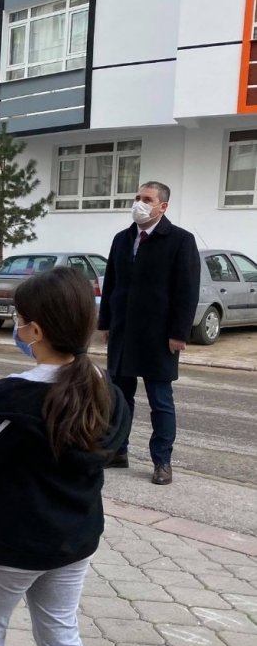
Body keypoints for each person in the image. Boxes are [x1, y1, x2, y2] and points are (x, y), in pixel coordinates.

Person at [0, 267, 131, 646]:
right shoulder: (109, 390)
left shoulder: (12, 397)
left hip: (10, 546)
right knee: (61, 634)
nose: (15, 326)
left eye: (18, 318)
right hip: (76, 539)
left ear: (35, 329)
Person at [98, 181, 200, 485]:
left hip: (159, 337)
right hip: (123, 332)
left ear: (163, 206)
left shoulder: (180, 240)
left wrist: (179, 333)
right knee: (119, 397)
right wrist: (106, 322)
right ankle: (118, 450)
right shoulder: (122, 239)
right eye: (137, 198)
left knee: (160, 401)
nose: (139, 204)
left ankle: (162, 461)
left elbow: (187, 291)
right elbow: (112, 284)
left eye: (147, 199)